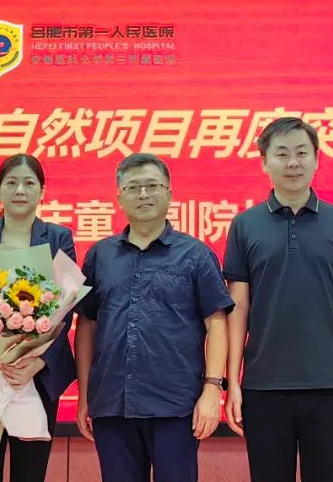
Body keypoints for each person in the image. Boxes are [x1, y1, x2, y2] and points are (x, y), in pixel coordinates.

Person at [222, 117, 333, 482]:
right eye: (282, 153)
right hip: (263, 387)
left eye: (302, 153)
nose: (293, 162)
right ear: (264, 161)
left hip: (330, 385)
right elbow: (237, 309)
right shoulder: (245, 225)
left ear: (317, 159)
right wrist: (232, 381)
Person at [75, 153, 233, 482]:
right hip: (112, 404)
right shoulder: (100, 255)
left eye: (152, 186)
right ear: (119, 199)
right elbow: (87, 326)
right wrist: (85, 396)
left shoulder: (196, 254)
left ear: (169, 193)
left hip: (176, 405)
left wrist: (212, 389)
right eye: (133, 188)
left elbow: (217, 323)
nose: (144, 194)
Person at [0, 154, 76, 482]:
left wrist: (37, 362)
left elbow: (66, 308)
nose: (19, 190)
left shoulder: (58, 238)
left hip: (34, 378)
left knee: (30, 474)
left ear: (42, 191)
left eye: (28, 183)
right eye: (11, 182)